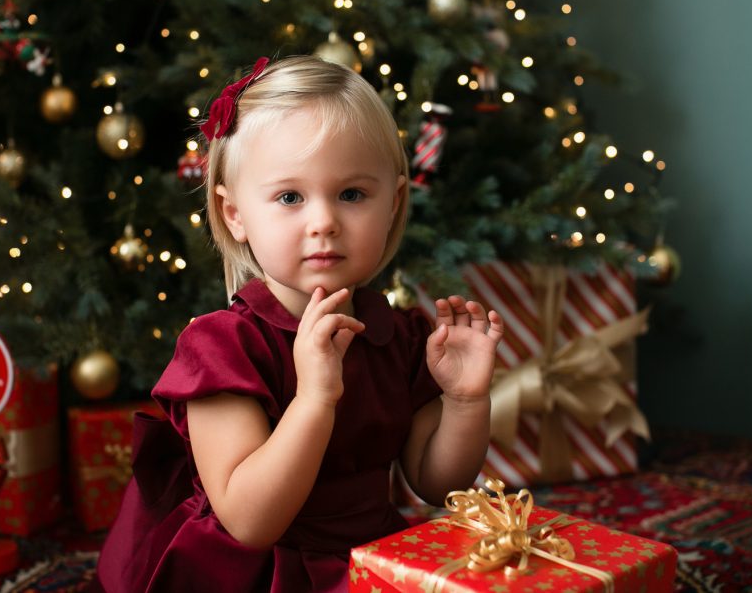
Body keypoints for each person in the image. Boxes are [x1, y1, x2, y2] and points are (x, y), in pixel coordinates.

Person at [96, 55, 505, 592]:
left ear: (394, 202)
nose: (324, 222)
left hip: (367, 552)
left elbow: (435, 484)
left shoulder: (398, 334)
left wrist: (466, 401)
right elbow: (249, 522)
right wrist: (314, 397)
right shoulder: (221, 347)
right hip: (253, 572)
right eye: (290, 197)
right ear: (234, 214)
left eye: (352, 194)